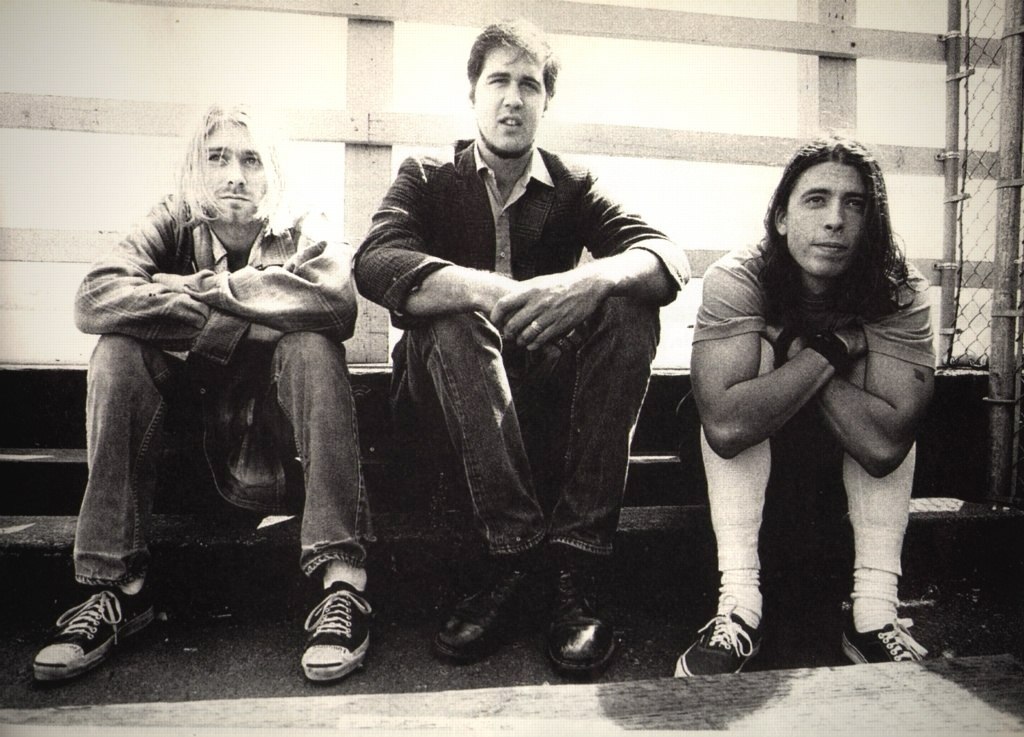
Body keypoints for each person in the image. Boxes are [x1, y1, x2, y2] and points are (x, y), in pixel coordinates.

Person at [354, 20, 689, 677]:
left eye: (529, 85)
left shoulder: (574, 183)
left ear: (546, 101)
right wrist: (492, 292)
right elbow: (375, 259)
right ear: (473, 93)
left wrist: (586, 281)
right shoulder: (426, 174)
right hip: (441, 410)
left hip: (537, 408)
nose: (513, 98)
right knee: (454, 313)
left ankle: (576, 564)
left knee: (629, 305)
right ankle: (511, 555)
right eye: (498, 81)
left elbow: (663, 256)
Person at [33, 104, 373, 685]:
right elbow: (95, 296)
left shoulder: (302, 224)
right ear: (196, 169)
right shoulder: (171, 219)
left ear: (273, 173)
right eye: (218, 158)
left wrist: (200, 290)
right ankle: (117, 590)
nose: (234, 175)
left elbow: (336, 302)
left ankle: (343, 586)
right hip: (186, 449)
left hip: (271, 453)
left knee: (313, 347)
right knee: (116, 350)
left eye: (251, 159)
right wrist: (256, 313)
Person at [674, 136, 934, 677]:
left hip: (846, 467)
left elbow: (885, 445)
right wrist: (828, 350)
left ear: (872, 221)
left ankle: (874, 614)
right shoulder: (738, 276)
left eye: (854, 203)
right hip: (743, 467)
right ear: (782, 217)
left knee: (863, 372)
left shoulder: (899, 287)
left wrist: (806, 352)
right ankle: (738, 607)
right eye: (816, 200)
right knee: (760, 356)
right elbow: (725, 427)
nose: (835, 219)